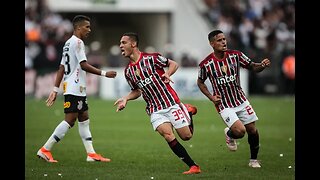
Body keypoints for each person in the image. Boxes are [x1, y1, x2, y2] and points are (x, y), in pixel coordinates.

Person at [114, 32, 201, 174]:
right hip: (155, 109)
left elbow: (173, 64)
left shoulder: (152, 58)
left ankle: (188, 111)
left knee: (186, 137)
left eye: (123, 43)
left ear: (133, 44)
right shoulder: (128, 71)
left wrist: (168, 73)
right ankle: (193, 166)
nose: (120, 46)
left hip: (171, 103)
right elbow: (137, 91)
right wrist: (126, 98)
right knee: (167, 135)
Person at [36, 15, 117, 163]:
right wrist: (105, 73)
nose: (89, 30)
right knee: (70, 120)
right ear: (78, 27)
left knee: (84, 117)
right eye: (87, 26)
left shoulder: (67, 43)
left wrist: (55, 89)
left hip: (74, 87)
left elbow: (61, 67)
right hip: (74, 87)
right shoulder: (78, 43)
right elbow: (83, 65)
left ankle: (91, 154)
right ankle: (45, 149)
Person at [197, 30, 271, 168]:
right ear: (212, 43)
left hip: (240, 100)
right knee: (240, 132)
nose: (224, 42)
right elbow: (200, 82)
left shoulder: (236, 55)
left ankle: (253, 160)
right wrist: (211, 97)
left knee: (252, 130)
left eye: (224, 39)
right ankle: (230, 134)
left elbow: (252, 67)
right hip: (224, 104)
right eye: (219, 40)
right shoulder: (206, 64)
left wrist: (262, 65)